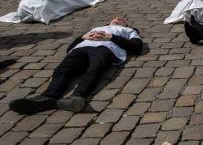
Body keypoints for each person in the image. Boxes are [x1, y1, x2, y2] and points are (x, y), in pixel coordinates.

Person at [8, 17, 143, 115]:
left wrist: (111, 37)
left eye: (122, 19)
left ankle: (77, 97)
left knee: (95, 68)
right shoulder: (96, 28)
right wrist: (82, 38)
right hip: (81, 48)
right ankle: (48, 97)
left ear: (126, 24)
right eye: (115, 18)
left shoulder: (128, 31)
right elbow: (69, 49)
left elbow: (136, 48)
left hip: (105, 48)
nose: (117, 18)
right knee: (63, 69)